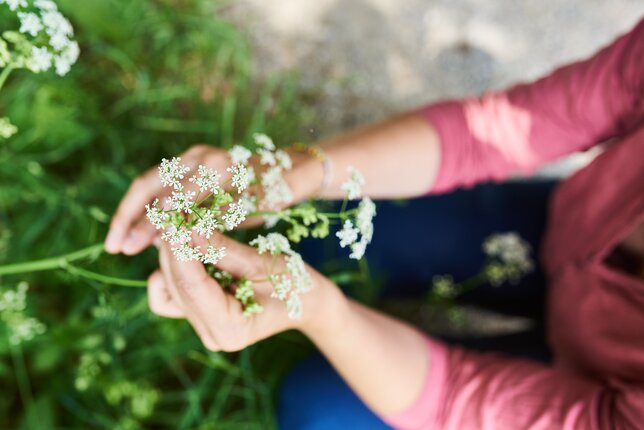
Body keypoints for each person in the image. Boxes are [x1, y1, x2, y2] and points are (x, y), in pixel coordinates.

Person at [104, 17, 644, 430]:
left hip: (594, 388)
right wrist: (300, 171)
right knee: (310, 229)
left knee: (315, 407)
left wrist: (317, 310)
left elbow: (461, 397)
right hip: (562, 223)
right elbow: (491, 131)